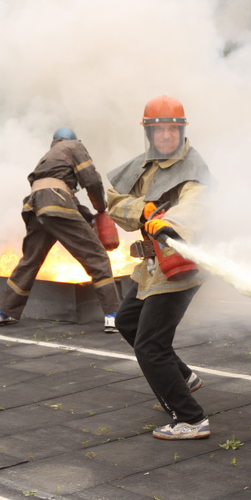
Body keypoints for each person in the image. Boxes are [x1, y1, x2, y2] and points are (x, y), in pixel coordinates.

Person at [107, 95, 212, 440]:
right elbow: (115, 200)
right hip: (153, 267)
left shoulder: (193, 169)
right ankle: (183, 378)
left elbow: (195, 206)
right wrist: (144, 209)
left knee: (150, 346)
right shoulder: (145, 165)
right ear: (149, 133)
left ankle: (191, 419)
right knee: (127, 322)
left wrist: (169, 223)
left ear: (181, 130)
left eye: (172, 129)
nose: (166, 135)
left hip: (181, 265)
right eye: (159, 129)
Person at [0, 127, 120, 333]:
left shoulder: (47, 158)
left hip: (35, 207)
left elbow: (66, 200)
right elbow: (91, 180)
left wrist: (87, 218)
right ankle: (113, 315)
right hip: (54, 203)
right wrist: (100, 208)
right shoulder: (73, 146)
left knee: (30, 261)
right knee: (97, 257)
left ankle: (1, 311)